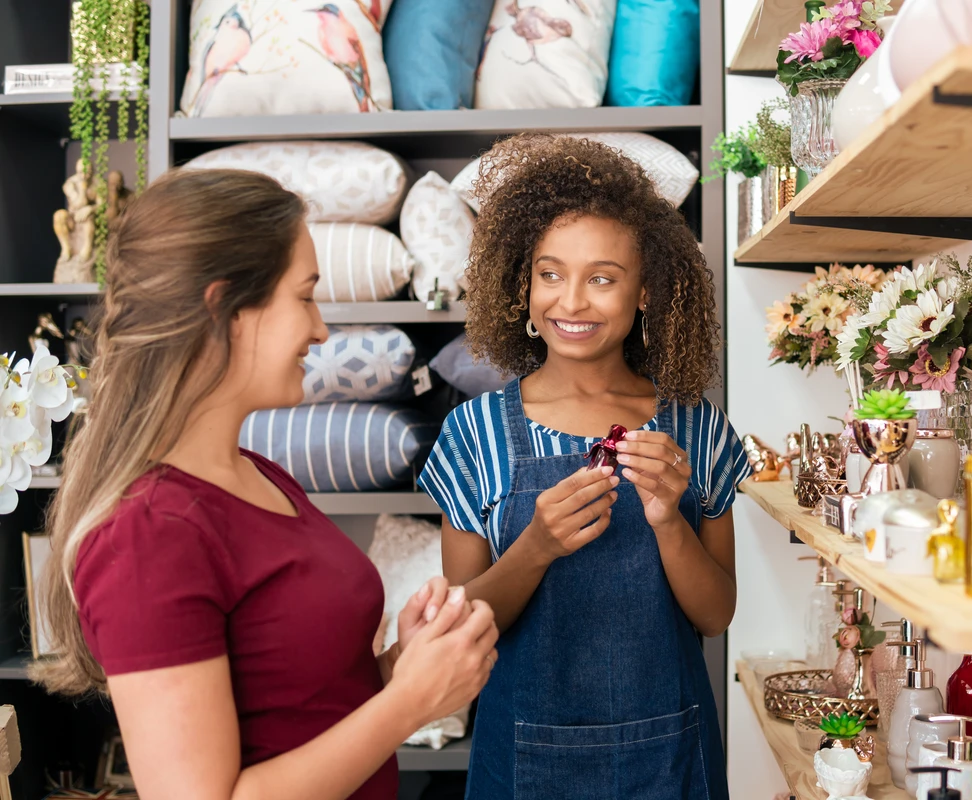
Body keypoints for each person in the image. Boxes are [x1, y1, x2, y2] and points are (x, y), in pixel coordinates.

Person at [34, 169, 499, 800]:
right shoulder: (146, 533)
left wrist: (399, 669)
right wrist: (410, 704)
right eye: (304, 297)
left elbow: (304, 707)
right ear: (223, 308)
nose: (321, 330)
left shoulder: (259, 475)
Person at [418, 134, 752, 799]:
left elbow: (716, 614)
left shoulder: (696, 430)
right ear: (523, 283)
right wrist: (535, 547)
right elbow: (462, 624)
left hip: (672, 759)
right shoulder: (473, 433)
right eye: (550, 273)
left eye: (602, 278)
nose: (570, 301)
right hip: (524, 763)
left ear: (647, 291)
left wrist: (667, 521)